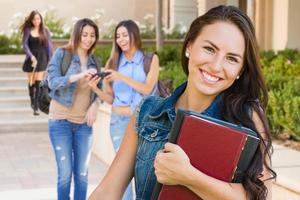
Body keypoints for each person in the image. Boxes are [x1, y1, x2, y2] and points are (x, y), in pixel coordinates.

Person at [89, 5, 276, 200]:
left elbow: (262, 196)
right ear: (189, 46)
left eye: (231, 58)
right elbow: (108, 191)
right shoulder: (148, 113)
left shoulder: (248, 117)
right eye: (210, 49)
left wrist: (189, 176)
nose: (215, 66)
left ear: (240, 70)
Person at [88, 20, 160, 200]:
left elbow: (147, 89)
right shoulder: (112, 62)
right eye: (118, 36)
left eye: (124, 35)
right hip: (119, 122)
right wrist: (95, 88)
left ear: (134, 35)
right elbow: (110, 98)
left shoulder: (149, 59)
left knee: (145, 170)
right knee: (124, 173)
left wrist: (122, 76)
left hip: (144, 123)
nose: (121, 40)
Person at [47, 18, 100, 200]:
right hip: (60, 121)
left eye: (92, 35)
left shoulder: (95, 61)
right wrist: (77, 76)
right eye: (85, 34)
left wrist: (95, 105)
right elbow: (52, 82)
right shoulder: (63, 54)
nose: (88, 39)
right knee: (64, 175)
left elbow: (98, 91)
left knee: (83, 175)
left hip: (84, 124)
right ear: (77, 34)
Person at [20, 10, 52, 115]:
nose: (36, 21)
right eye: (34, 19)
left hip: (42, 58)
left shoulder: (45, 30)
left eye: (38, 18)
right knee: (31, 82)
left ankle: (36, 106)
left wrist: (50, 59)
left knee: (38, 83)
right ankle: (32, 101)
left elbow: (48, 47)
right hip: (31, 59)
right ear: (31, 20)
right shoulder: (28, 30)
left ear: (41, 19)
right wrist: (31, 56)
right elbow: (25, 45)